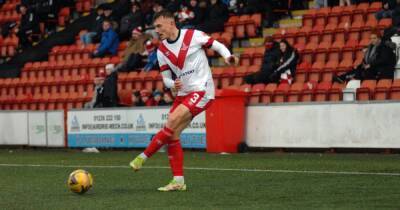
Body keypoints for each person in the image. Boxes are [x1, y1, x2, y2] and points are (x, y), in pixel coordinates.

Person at [129, 10, 238, 192]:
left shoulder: (193, 36)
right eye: (155, 27)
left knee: (171, 121)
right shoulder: (161, 50)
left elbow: (217, 45)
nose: (157, 30)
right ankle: (178, 181)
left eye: (159, 26)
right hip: (183, 93)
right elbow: (165, 78)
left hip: (201, 90)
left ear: (171, 23)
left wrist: (227, 57)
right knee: (173, 134)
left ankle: (143, 156)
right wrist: (173, 83)